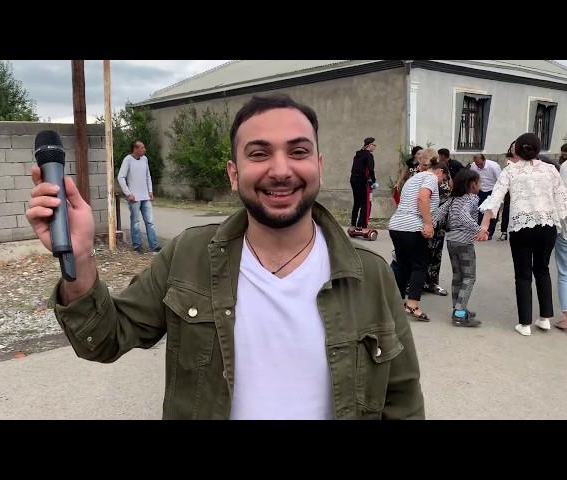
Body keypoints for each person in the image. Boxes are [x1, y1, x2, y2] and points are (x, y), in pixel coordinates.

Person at [26, 93, 425, 420]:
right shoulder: (188, 256)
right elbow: (104, 340)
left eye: (298, 151)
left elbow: (403, 403)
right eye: (259, 153)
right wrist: (79, 259)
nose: (281, 169)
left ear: (318, 166)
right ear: (234, 173)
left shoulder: (370, 275)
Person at [478, 133, 567, 336]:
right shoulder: (551, 170)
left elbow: (495, 198)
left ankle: (525, 323)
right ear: (537, 150)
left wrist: (484, 226)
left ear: (516, 150)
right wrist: (560, 221)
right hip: (547, 227)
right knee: (543, 270)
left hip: (521, 228)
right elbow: (562, 199)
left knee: (523, 274)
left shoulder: (510, 171)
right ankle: (545, 318)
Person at [389, 154, 445, 321]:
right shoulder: (431, 178)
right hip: (412, 227)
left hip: (397, 226)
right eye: (443, 178)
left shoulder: (414, 178)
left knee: (403, 265)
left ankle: (397, 303)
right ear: (440, 172)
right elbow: (422, 198)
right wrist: (428, 224)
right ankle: (412, 305)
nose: (442, 182)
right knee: (420, 265)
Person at [433, 169, 487, 327]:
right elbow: (464, 216)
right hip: (464, 243)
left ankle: (458, 308)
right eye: (478, 182)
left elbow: (438, 213)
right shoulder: (471, 198)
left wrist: (429, 224)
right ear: (471, 184)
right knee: (469, 277)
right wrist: (479, 230)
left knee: (458, 277)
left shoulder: (453, 199)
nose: (480, 185)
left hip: (451, 241)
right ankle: (459, 314)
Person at [117, 140, 161, 253]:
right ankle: (137, 245)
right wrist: (128, 193)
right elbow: (120, 177)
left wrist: (150, 191)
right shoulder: (128, 160)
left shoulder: (145, 159)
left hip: (145, 196)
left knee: (150, 221)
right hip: (134, 198)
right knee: (135, 222)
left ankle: (154, 245)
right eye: (142, 148)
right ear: (135, 149)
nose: (144, 150)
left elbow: (148, 176)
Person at [422, 148, 451, 296]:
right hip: (431, 224)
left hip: (434, 223)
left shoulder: (428, 178)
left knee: (431, 254)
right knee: (428, 253)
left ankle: (427, 282)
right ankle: (424, 282)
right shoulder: (433, 180)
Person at [470, 154, 502, 240]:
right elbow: (472, 178)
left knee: (492, 213)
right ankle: (479, 232)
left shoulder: (494, 166)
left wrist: (499, 195)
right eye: (477, 165)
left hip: (492, 190)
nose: (479, 166)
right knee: (479, 212)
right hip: (480, 190)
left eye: (480, 164)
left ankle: (489, 233)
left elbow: (500, 180)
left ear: (484, 160)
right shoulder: (473, 166)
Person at [350, 137, 377, 230]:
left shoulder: (357, 155)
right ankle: (361, 225)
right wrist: (374, 181)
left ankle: (353, 224)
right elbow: (371, 169)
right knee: (364, 203)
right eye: (374, 145)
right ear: (369, 145)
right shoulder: (368, 155)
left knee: (356, 202)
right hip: (362, 180)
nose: (375, 147)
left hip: (353, 179)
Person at [554, 151, 567, 330]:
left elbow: (561, 196)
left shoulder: (565, 167)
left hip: (565, 227)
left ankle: (566, 317)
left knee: (564, 272)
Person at [497, 142, 514, 241]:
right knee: (506, 212)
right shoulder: (507, 166)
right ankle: (504, 232)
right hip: (508, 192)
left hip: (519, 193)